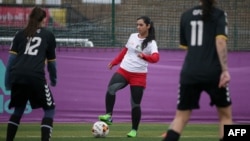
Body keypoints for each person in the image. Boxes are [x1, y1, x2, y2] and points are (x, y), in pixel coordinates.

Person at [162, 0, 233, 141]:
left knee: (180, 118)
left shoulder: (186, 15)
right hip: (214, 73)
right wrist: (225, 70)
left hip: (190, 72)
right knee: (225, 117)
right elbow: (220, 42)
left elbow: (187, 46)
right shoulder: (219, 14)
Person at [98, 16, 160, 138]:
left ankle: (134, 130)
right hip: (124, 70)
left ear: (148, 26)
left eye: (141, 25)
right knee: (111, 89)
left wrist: (145, 56)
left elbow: (156, 58)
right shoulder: (132, 36)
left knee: (135, 104)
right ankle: (108, 115)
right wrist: (114, 62)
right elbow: (125, 51)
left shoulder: (151, 43)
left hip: (139, 76)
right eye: (137, 24)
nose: (138, 27)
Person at [4, 7, 57, 141]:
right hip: (35, 76)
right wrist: (53, 79)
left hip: (18, 76)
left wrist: (8, 82)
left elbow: (10, 62)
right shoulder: (48, 35)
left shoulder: (19, 34)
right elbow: (51, 63)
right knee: (50, 109)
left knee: (18, 109)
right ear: (43, 19)